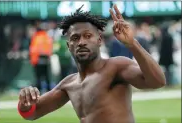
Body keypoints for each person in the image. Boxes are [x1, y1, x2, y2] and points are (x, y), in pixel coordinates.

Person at [18, 5, 166, 123]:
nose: (81, 42)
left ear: (99, 40)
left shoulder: (116, 67)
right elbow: (33, 113)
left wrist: (132, 44)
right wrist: (24, 103)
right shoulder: (69, 84)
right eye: (75, 38)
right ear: (69, 46)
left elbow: (158, 81)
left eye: (88, 36)